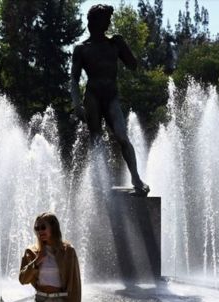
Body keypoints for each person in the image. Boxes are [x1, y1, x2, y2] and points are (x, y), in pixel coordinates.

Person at [71, 3, 150, 196]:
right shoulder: (81, 48)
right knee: (96, 140)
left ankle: (136, 178)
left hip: (111, 95)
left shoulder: (114, 44)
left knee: (122, 136)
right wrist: (76, 104)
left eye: (108, 19)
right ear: (93, 22)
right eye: (104, 19)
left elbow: (133, 65)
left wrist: (123, 46)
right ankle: (100, 183)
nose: (108, 23)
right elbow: (73, 78)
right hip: (92, 96)